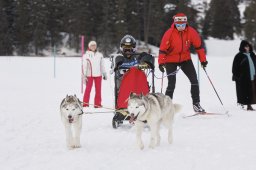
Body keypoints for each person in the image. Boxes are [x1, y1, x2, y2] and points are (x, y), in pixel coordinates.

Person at [158, 13, 208, 112]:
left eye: (183, 25)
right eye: (178, 25)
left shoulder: (191, 32)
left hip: (185, 59)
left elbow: (199, 47)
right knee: (171, 83)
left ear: (186, 23)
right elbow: (163, 49)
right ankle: (167, 106)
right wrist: (161, 63)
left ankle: (196, 104)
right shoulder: (169, 33)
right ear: (175, 23)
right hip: (171, 60)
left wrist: (203, 60)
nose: (180, 27)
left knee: (194, 80)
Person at [232, 40, 256, 111]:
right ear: (242, 47)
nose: (247, 48)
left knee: (252, 91)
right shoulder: (239, 56)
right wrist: (238, 76)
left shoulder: (252, 54)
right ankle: (247, 105)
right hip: (244, 78)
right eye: (246, 46)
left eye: (248, 46)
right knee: (245, 91)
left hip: (253, 76)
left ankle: (250, 104)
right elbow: (235, 67)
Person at [83, 40, 107, 108]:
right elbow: (84, 66)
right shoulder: (86, 55)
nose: (93, 46)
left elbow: (102, 65)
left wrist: (104, 73)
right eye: (92, 45)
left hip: (98, 75)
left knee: (98, 90)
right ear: (89, 47)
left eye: (94, 45)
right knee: (88, 89)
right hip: (89, 75)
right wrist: (84, 76)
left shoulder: (100, 55)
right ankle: (85, 104)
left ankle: (97, 104)